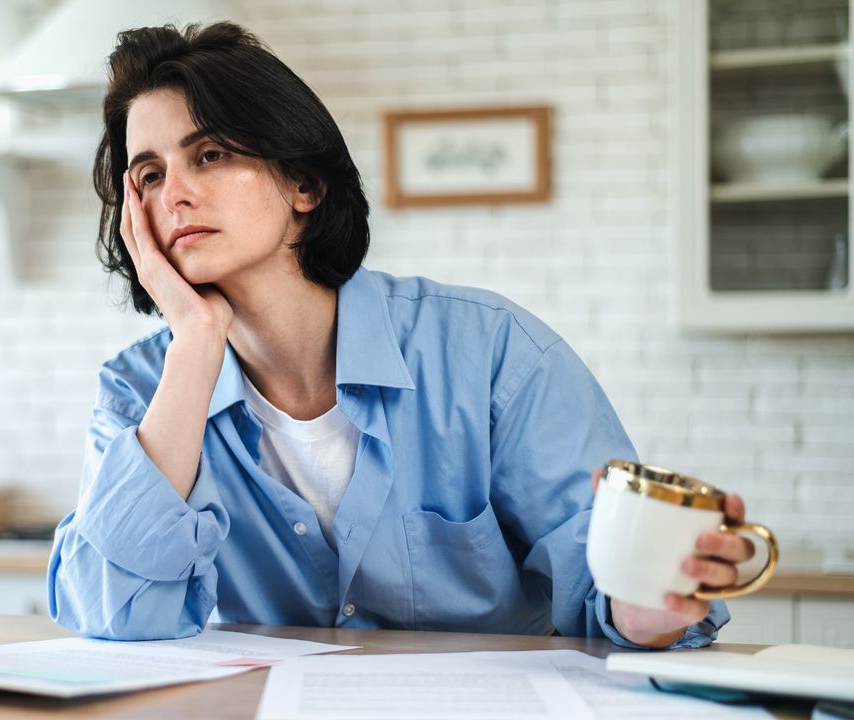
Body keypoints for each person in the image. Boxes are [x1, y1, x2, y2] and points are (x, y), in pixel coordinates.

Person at [47, 22, 751, 648]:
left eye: (209, 156)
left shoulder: (492, 355)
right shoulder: (140, 392)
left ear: (304, 184)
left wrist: (646, 611)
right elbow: (115, 613)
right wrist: (195, 343)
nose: (174, 194)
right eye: (149, 174)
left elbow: (611, 593)